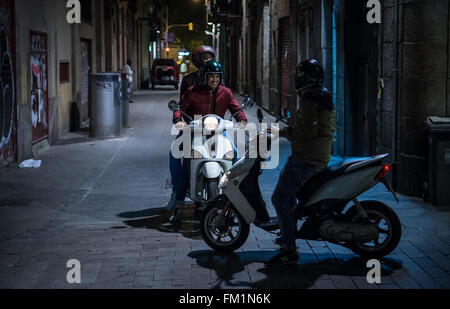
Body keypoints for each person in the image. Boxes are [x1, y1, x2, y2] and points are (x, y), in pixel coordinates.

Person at [266, 59, 336, 265]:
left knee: (279, 199)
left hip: (306, 159)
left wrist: (281, 132)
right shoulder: (322, 95)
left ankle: (289, 249)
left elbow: (307, 131)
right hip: (317, 156)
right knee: (289, 198)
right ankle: (289, 232)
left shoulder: (309, 99)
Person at [168, 60, 247, 223]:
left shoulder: (225, 93)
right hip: (194, 131)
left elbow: (236, 109)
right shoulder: (192, 92)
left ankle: (237, 190)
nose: (214, 80)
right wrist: (178, 121)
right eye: (211, 76)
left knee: (236, 154)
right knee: (175, 154)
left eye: (217, 77)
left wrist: (241, 119)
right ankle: (178, 197)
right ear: (205, 77)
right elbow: (179, 109)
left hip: (219, 131)